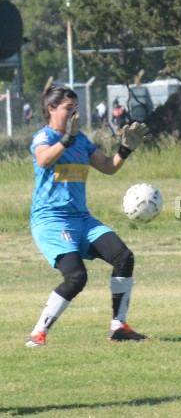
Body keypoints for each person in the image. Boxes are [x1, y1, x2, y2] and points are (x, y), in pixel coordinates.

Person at [25, 86, 150, 347]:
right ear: (51, 109)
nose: (73, 115)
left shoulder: (80, 139)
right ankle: (38, 334)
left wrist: (124, 150)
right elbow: (44, 160)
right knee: (76, 277)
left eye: (76, 110)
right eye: (68, 109)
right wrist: (65, 140)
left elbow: (107, 167)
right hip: (51, 221)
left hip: (82, 219)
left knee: (123, 257)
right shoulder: (44, 137)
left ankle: (119, 326)